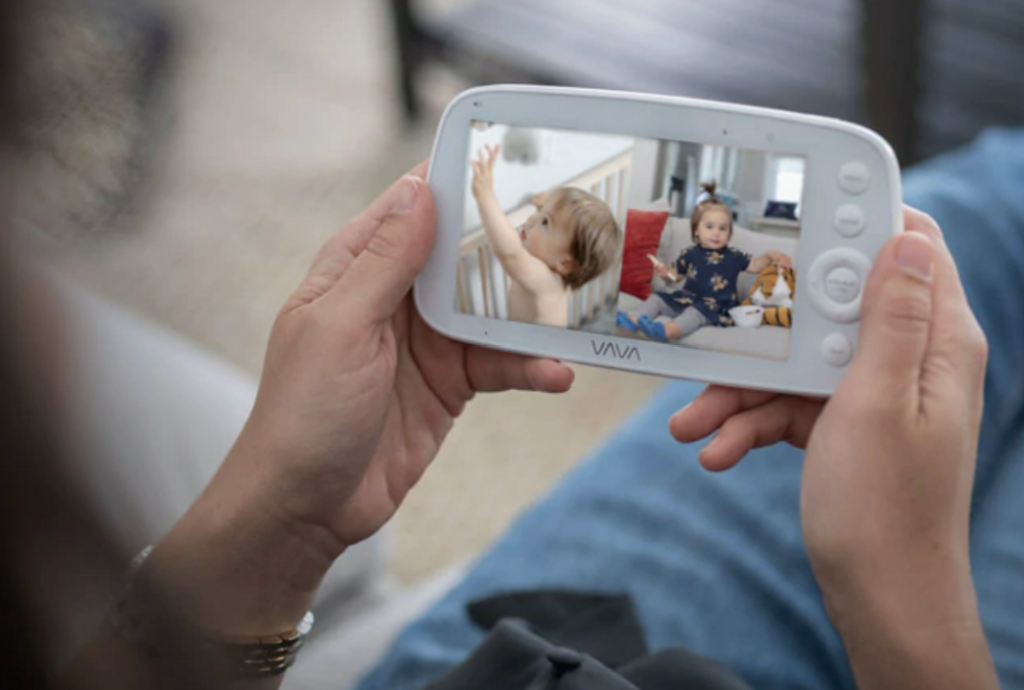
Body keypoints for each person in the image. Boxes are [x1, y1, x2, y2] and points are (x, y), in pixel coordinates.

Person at [618, 182, 793, 342]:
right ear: (697, 232)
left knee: (694, 314)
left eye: (722, 228)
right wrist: (665, 273)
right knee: (656, 298)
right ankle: (634, 319)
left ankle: (667, 331)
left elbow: (755, 265)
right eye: (709, 227)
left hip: (715, 306)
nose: (716, 233)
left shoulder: (733, 255)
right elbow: (676, 276)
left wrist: (770, 255)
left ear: (729, 233)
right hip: (687, 299)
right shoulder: (690, 253)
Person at [470, 143, 622, 327]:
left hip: (537, 356)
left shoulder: (546, 282)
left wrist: (485, 196)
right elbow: (554, 215)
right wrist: (548, 203)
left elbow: (510, 254)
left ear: (566, 263)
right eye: (540, 211)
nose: (532, 219)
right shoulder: (555, 263)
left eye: (545, 222)